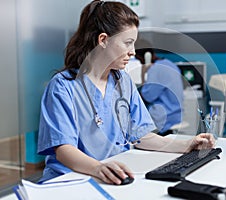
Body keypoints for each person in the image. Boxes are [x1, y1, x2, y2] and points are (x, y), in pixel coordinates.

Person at [37, 0, 215, 185]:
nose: (133, 52)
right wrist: (98, 168)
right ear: (103, 40)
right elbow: (64, 150)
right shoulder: (63, 86)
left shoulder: (123, 82)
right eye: (128, 43)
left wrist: (186, 145)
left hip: (112, 176)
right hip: (71, 179)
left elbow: (141, 136)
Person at [135, 40, 184, 136]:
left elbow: (147, 97)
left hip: (164, 118)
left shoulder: (156, 69)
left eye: (139, 59)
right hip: (176, 114)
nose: (140, 63)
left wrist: (143, 74)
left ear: (145, 57)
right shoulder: (169, 64)